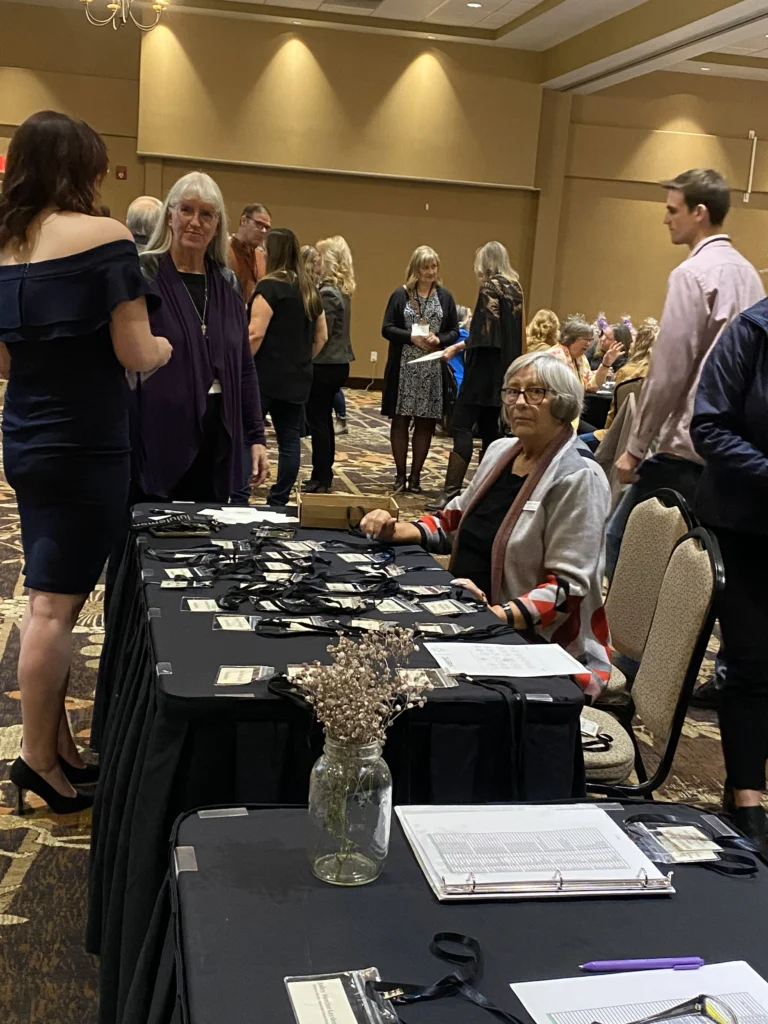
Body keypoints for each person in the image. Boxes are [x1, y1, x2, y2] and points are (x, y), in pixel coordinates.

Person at [0, 110, 171, 814]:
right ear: (80, 168)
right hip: (88, 440)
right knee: (51, 609)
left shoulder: (6, 247)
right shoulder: (105, 238)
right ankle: (37, 760)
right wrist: (170, 350)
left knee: (50, 594)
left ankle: (60, 742)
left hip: (26, 438)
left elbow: (5, 362)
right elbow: (136, 353)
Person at [361, 352, 612, 698]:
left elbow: (566, 590)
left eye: (535, 392)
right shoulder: (502, 451)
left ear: (564, 404)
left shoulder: (579, 477)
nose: (520, 402)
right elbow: (457, 520)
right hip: (471, 616)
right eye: (512, 392)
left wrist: (492, 616)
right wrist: (398, 529)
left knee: (411, 691)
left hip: (539, 646)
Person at [614, 168, 764, 507]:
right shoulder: (749, 275)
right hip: (734, 448)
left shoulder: (692, 275)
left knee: (621, 543)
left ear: (700, 213)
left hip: (688, 444)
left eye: (672, 210)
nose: (665, 220)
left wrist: (635, 448)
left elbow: (669, 369)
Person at [136, 171, 268, 502]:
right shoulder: (144, 273)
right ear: (170, 216)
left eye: (206, 214)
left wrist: (256, 436)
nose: (195, 222)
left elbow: (243, 366)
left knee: (211, 533)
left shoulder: (227, 282)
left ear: (217, 224)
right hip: (159, 431)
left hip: (219, 429)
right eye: (186, 210)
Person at [691, 299, 768, 845]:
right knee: (752, 660)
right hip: (745, 528)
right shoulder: (750, 332)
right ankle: (747, 797)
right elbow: (709, 427)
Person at [430, 241, 523, 508]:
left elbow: (483, 336)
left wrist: (458, 347)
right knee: (491, 430)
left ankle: (450, 492)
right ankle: (486, 490)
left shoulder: (489, 288)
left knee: (460, 425)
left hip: (483, 369)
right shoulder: (515, 288)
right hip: (505, 369)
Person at [249, 227, 327, 505]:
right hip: (298, 377)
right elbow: (322, 337)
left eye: (264, 250)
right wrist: (300, 358)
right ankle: (279, 498)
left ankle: (240, 493)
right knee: (290, 441)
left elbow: (255, 333)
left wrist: (240, 365)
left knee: (248, 435)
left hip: (264, 376)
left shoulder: (269, 286)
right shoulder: (309, 289)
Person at [381, 245, 459, 494]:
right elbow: (387, 328)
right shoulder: (400, 294)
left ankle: (416, 478)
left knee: (426, 424)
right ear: (416, 268)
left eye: (434, 266)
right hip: (404, 368)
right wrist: (410, 337)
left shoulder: (445, 297)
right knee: (401, 421)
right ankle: (400, 475)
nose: (430, 271)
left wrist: (440, 340)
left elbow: (454, 331)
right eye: (425, 267)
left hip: (432, 369)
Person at [303, 236, 355, 493]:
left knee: (319, 422)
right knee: (323, 420)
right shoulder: (341, 291)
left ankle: (321, 476)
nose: (316, 263)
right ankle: (322, 474)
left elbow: (322, 334)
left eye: (319, 258)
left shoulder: (328, 293)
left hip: (326, 364)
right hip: (335, 363)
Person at [580, 318, 659, 448]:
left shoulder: (628, 371)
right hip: (650, 439)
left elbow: (615, 417)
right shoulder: (664, 374)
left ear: (638, 344)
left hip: (619, 437)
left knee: (574, 445)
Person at [549, 316, 624, 396]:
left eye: (590, 340)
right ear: (571, 338)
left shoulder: (581, 358)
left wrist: (605, 364)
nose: (588, 344)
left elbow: (591, 386)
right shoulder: (556, 356)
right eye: (585, 339)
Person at [226, 202, 271, 304]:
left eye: (267, 227)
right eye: (258, 224)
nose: (263, 231)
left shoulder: (261, 257)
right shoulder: (223, 251)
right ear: (243, 221)